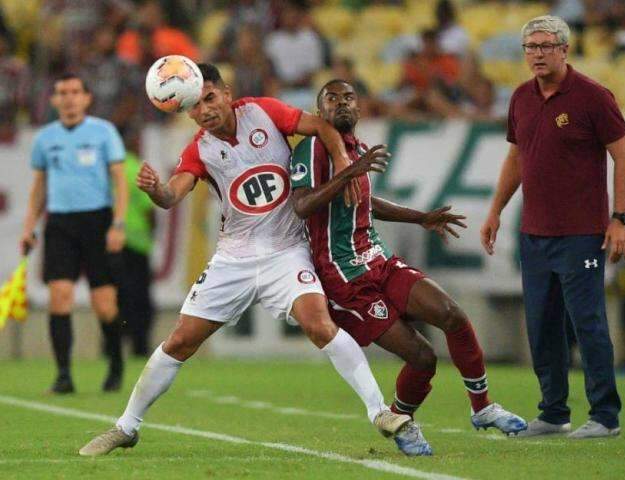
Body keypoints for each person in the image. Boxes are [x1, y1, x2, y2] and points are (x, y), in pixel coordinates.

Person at [79, 63, 424, 457]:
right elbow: (173, 195)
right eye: (195, 106)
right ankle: (126, 426)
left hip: (285, 250)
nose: (204, 110)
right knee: (180, 341)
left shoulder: (262, 111)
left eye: (210, 98)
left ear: (227, 94)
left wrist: (343, 162)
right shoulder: (199, 148)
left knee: (318, 324)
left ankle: (380, 412)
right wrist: (157, 189)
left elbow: (323, 127)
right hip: (234, 257)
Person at [290, 79, 528, 454]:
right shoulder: (311, 149)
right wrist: (348, 174)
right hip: (344, 276)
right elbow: (302, 206)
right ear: (320, 112)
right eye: (332, 99)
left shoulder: (358, 150)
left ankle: (482, 407)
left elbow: (366, 201)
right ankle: (403, 422)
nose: (342, 104)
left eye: (349, 98)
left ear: (360, 107)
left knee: (451, 314)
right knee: (422, 357)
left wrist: (420, 217)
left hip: (379, 259)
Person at [480, 15, 625, 439]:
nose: (538, 54)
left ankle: (605, 416)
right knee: (542, 325)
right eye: (531, 46)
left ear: (565, 49)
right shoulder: (520, 98)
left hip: (582, 232)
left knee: (587, 323)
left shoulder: (592, 96)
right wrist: (495, 211)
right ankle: (553, 413)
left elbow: (624, 157)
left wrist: (620, 218)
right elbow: (517, 158)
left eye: (546, 45)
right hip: (534, 233)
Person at [20, 73, 128, 393]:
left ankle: (116, 363)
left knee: (104, 304)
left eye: (75, 92)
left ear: (86, 98)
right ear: (54, 100)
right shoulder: (45, 138)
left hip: (97, 222)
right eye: (62, 93)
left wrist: (118, 224)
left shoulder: (103, 132)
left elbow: (119, 181)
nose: (68, 98)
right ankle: (63, 375)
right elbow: (39, 187)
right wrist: (29, 227)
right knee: (60, 297)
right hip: (60, 225)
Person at [117, 135, 155, 357]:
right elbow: (148, 209)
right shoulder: (133, 168)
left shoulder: (108, 170)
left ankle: (111, 347)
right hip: (136, 244)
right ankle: (139, 347)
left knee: (116, 297)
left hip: (111, 242)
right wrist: (152, 232)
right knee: (139, 299)